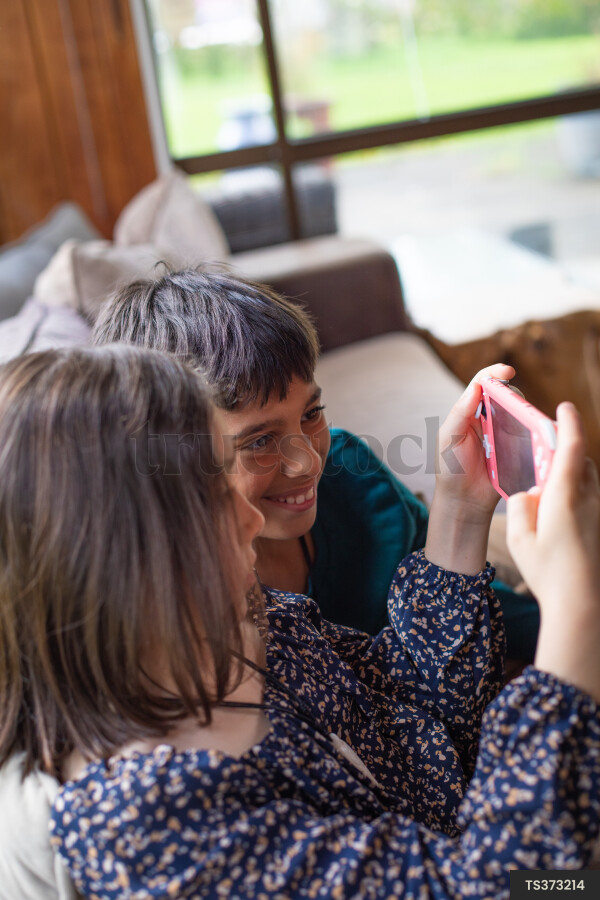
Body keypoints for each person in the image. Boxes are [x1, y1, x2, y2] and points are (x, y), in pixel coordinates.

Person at [0, 345, 599, 900]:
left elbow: (416, 718)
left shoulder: (246, 624)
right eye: (213, 492)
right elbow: (503, 886)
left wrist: (462, 512)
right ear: (122, 550)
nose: (250, 520)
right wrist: (578, 609)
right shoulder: (142, 827)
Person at [92, 268, 539, 658]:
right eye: (260, 440)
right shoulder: (188, 614)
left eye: (311, 414)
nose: (307, 463)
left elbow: (486, 611)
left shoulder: (352, 476)